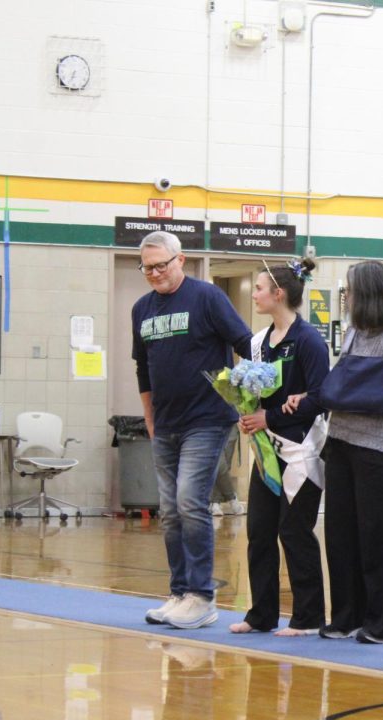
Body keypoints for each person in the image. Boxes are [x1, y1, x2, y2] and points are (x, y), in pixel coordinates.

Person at [133, 231, 252, 630]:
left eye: (161, 266)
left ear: (180, 260)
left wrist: (247, 398)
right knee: (169, 511)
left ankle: (202, 596)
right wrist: (149, 417)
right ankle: (180, 592)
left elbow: (246, 343)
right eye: (147, 268)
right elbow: (142, 369)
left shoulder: (207, 298)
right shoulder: (141, 310)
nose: (154, 274)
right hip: (165, 424)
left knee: (189, 501)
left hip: (207, 419)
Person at [230, 258, 330, 636]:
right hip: (266, 453)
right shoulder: (258, 343)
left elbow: (322, 396)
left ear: (279, 294)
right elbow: (256, 396)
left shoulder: (308, 341)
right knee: (259, 530)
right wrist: (248, 414)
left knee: (295, 531)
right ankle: (262, 614)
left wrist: (270, 419)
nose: (254, 295)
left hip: (302, 450)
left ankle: (307, 617)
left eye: (258, 288)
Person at [320, 259, 383, 644]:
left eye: (352, 290)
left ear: (370, 292)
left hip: (382, 447)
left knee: (380, 537)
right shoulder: (353, 334)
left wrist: (345, 393)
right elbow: (338, 389)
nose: (347, 297)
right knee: (341, 534)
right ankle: (346, 616)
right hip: (342, 439)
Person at [209, 424, 246, 516]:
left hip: (231, 423)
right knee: (218, 463)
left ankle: (215, 502)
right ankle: (232, 498)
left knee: (226, 463)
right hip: (209, 422)